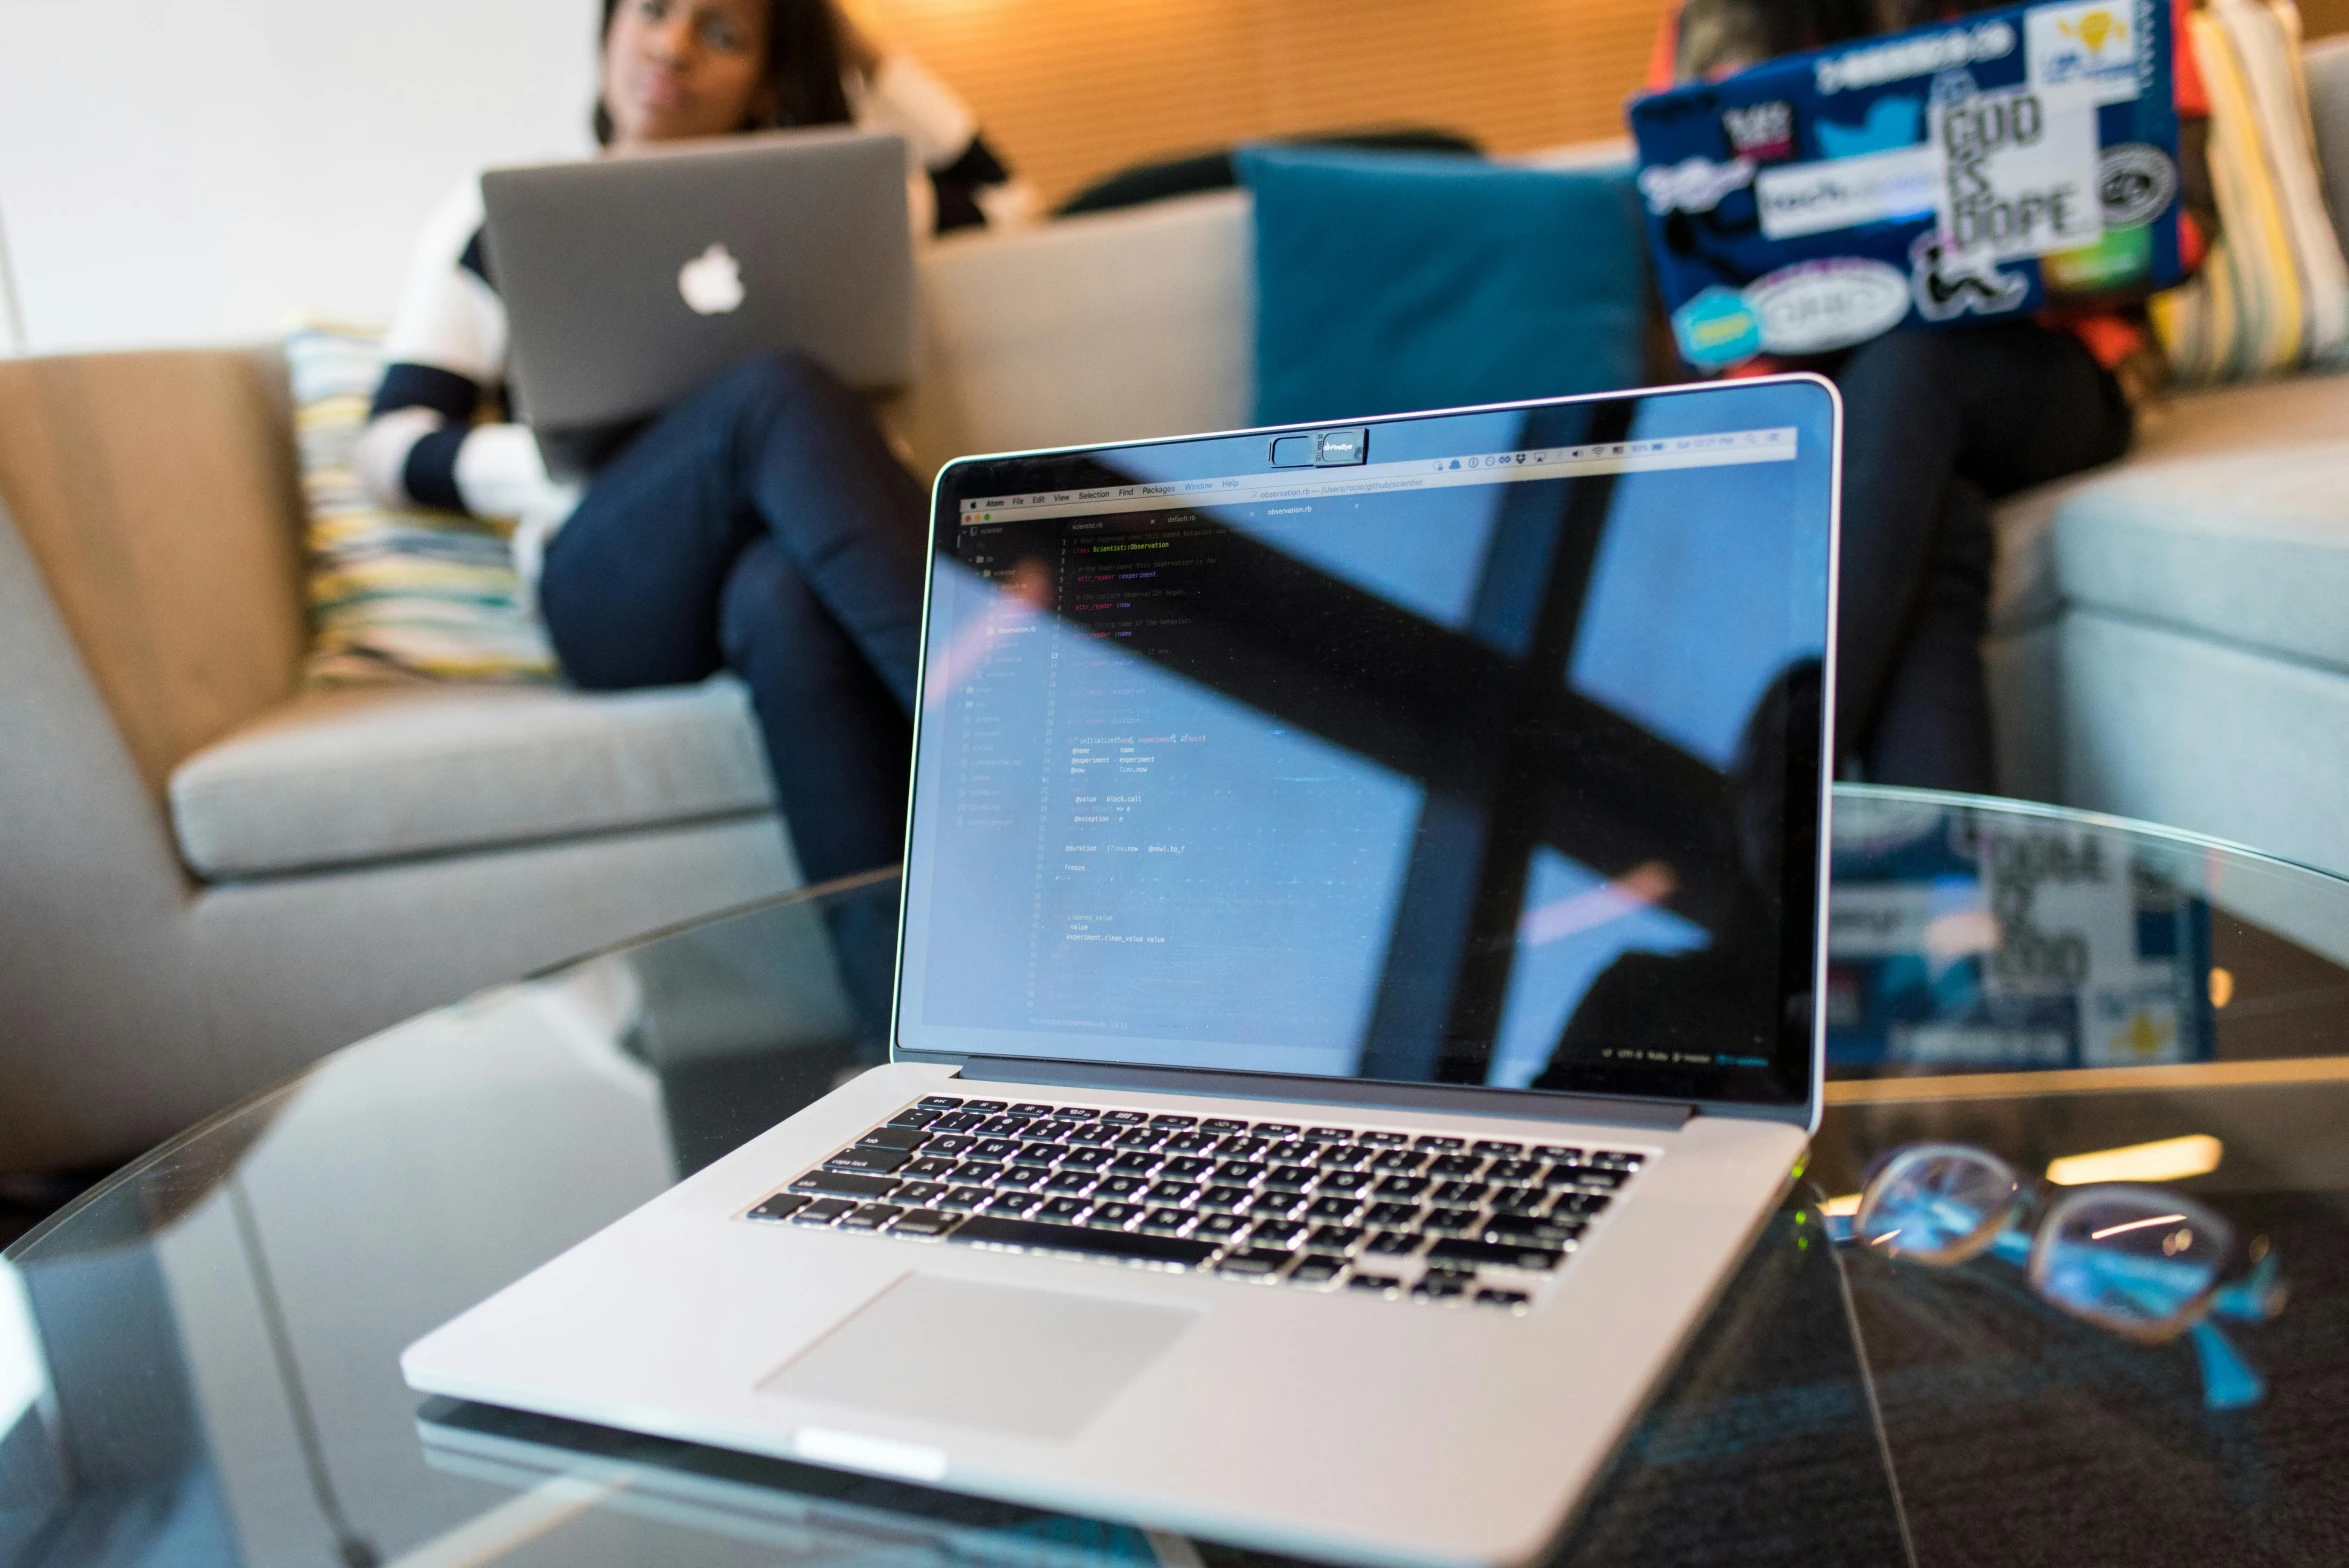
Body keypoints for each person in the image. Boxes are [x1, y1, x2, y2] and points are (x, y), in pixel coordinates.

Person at [359, 0, 1030, 1032]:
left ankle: (906, 1039)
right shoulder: (508, 213)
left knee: (783, 594)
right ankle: (1025, 745)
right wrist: (546, 468)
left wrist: (859, 45)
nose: (670, 47)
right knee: (776, 397)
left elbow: (1008, 199)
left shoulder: (828, 197)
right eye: (655, 10)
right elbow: (391, 444)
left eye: (722, 33)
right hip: (610, 588)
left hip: (787, 568)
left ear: (769, 76)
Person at [1645, 0, 2213, 792]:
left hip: (2043, 372)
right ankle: (1945, 899)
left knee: (1907, 370)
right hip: (1846, 404)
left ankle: (1759, 790)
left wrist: (2043, 233)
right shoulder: (1713, 23)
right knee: (1932, 520)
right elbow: (1697, 280)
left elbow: (2182, 223)